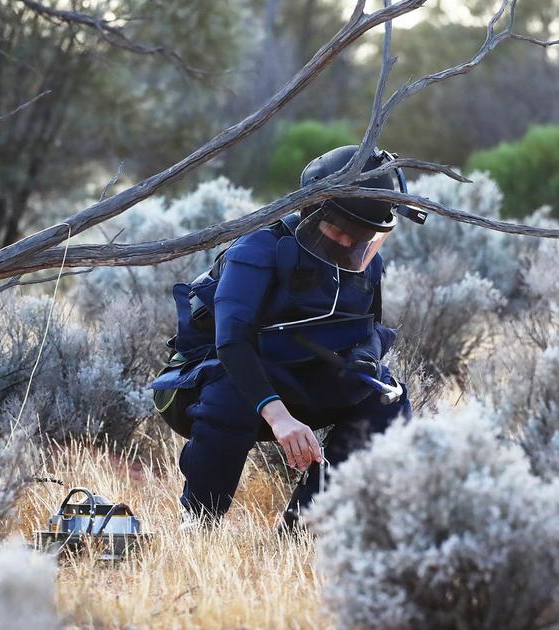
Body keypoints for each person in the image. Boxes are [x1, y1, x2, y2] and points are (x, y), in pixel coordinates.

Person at [151, 145, 423, 530]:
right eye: (338, 231)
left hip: (303, 381)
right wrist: (279, 417)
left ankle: (306, 526)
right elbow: (231, 343)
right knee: (228, 392)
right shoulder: (257, 250)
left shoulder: (367, 264)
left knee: (386, 400)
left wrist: (365, 360)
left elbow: (368, 328)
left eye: (360, 237)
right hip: (213, 382)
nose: (348, 244)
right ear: (312, 209)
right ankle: (199, 521)